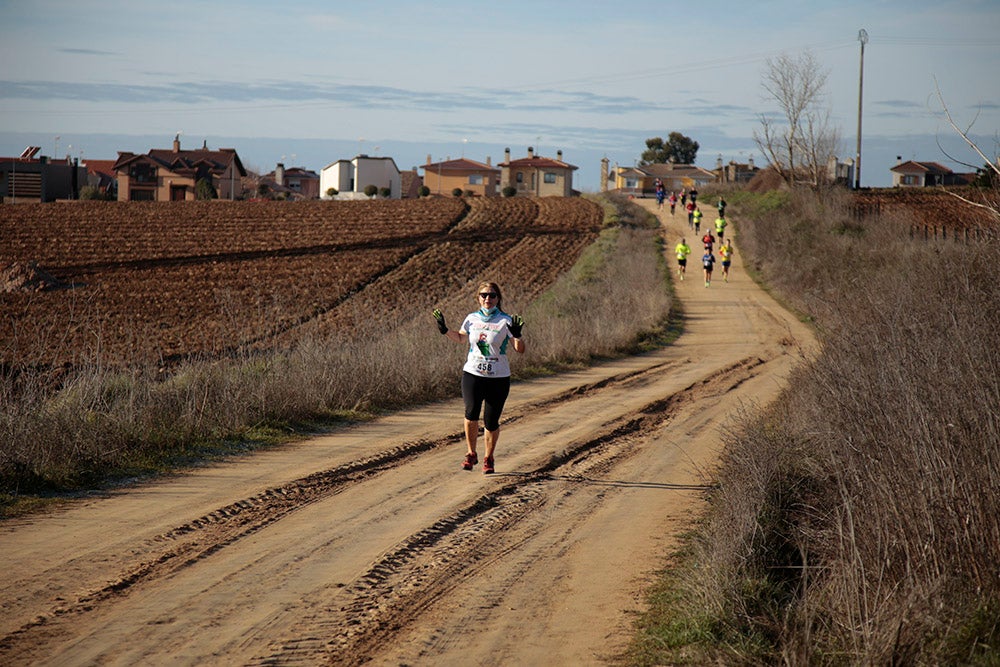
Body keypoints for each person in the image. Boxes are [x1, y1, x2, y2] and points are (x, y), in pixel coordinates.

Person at [433, 282, 525, 474]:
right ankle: (471, 453)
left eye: (492, 295)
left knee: (491, 422)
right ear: (478, 298)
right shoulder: (471, 319)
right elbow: (460, 338)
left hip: (498, 377)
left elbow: (520, 350)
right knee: (470, 413)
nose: (487, 299)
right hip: (473, 374)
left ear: (498, 298)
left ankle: (488, 458)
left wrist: (517, 336)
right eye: (483, 295)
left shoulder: (505, 320)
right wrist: (444, 330)